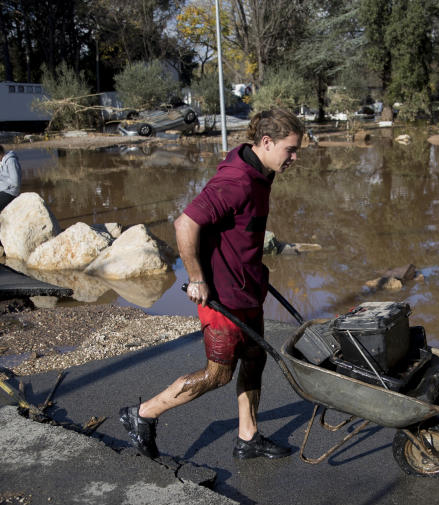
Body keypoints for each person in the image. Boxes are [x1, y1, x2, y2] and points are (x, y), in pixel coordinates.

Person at [119, 108, 305, 460]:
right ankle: (142, 414)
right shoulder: (236, 180)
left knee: (254, 359)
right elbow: (185, 224)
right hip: (222, 295)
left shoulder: (261, 168)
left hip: (246, 286)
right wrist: (197, 279)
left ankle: (248, 438)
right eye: (290, 150)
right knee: (217, 374)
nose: (294, 158)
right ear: (267, 142)